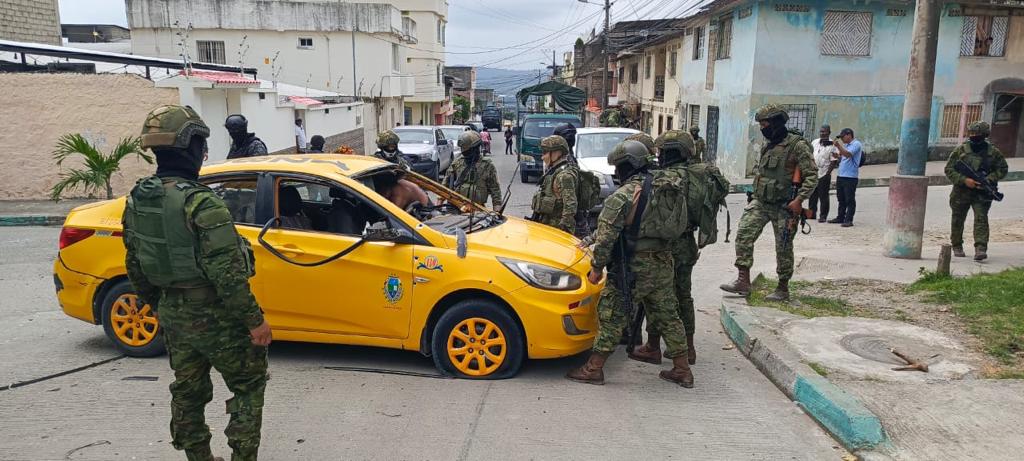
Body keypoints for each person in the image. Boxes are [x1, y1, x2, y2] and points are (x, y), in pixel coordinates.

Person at [124, 105, 271, 461]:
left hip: (174, 313)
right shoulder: (202, 202)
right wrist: (255, 321)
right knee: (248, 387)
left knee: (188, 392)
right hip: (218, 315)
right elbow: (228, 275)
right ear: (191, 146)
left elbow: (135, 264)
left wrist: (160, 304)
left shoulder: (138, 199)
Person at [566, 140, 693, 387]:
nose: (615, 172)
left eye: (619, 167)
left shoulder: (623, 196)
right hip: (663, 262)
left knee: (612, 314)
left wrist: (596, 268)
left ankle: (594, 368)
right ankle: (682, 369)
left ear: (629, 166)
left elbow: (605, 238)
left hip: (632, 267)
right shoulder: (667, 189)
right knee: (668, 315)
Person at [720, 104, 817, 302]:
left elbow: (812, 176)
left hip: (785, 206)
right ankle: (743, 280)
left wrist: (799, 200)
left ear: (776, 123)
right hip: (761, 202)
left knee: (783, 247)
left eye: (765, 124)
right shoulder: (769, 144)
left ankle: (782, 288)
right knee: (743, 235)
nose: (762, 128)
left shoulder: (797, 146)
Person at [628, 130, 702, 366]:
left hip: (666, 245)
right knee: (684, 295)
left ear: (673, 151)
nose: (659, 155)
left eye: (662, 151)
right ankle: (688, 348)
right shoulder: (695, 175)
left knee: (659, 297)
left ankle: (653, 345)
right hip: (687, 242)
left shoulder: (667, 178)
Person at [944, 121, 1008, 261]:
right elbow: (949, 169)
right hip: (961, 192)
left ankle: (980, 248)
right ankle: (957, 245)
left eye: (977, 134)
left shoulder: (993, 152)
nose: (973, 137)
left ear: (984, 135)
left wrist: (990, 179)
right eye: (971, 134)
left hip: (982, 192)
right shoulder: (961, 150)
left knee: (981, 219)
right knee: (958, 219)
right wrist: (964, 180)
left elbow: (1002, 169)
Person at [530, 135, 579, 235]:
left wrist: (563, 230)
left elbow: (570, 206)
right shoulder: (553, 172)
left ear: (557, 153)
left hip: (556, 230)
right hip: (548, 227)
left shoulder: (564, 176)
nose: (542, 157)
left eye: (545, 153)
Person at [443, 131, 502, 209]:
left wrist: (497, 211)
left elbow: (495, 189)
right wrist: (439, 202)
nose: (463, 151)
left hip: (478, 209)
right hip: (457, 207)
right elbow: (445, 184)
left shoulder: (487, 165)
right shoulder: (457, 163)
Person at [829, 128, 863, 227]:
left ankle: (849, 219)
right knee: (841, 198)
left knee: (849, 199)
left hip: (850, 177)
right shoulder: (846, 145)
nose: (842, 139)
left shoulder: (856, 144)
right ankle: (840, 217)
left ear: (849, 135)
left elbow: (848, 155)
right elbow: (843, 157)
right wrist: (837, 155)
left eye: (843, 136)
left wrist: (838, 146)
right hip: (841, 175)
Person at [808, 124, 838, 222]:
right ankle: (811, 214)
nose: (822, 133)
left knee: (823, 196)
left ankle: (823, 216)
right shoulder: (814, 142)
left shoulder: (833, 144)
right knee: (812, 195)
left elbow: (834, 161)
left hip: (824, 173)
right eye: (821, 131)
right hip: (813, 173)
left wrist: (827, 174)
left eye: (824, 132)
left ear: (829, 132)